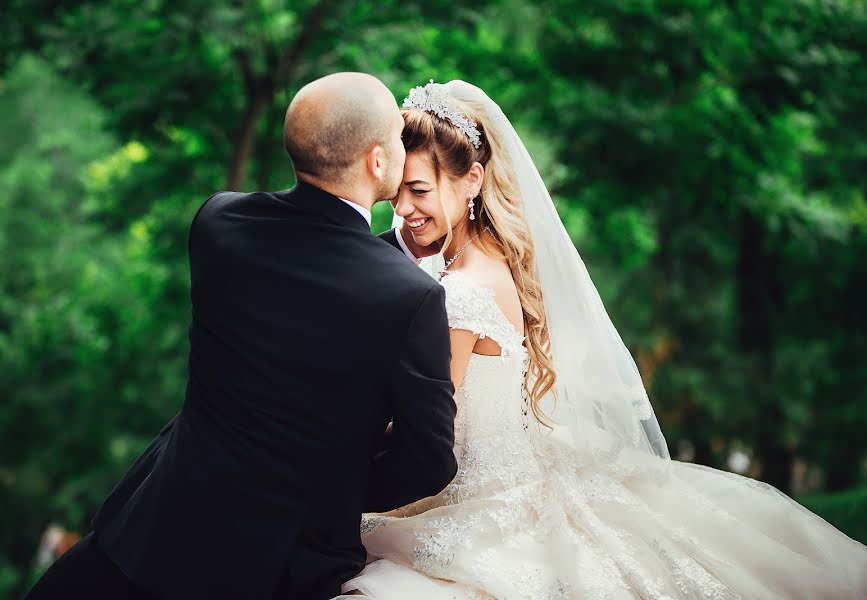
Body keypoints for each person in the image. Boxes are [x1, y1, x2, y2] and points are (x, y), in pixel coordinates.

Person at [337, 80, 867, 599]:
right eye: (398, 191)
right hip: (520, 476)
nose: (402, 209)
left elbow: (424, 430)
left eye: (419, 190)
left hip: (474, 502)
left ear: (472, 180)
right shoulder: (493, 262)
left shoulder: (459, 294)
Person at [26, 72, 458, 600]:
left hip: (156, 531)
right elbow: (430, 461)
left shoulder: (219, 225)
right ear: (375, 160)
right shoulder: (407, 296)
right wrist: (333, 491)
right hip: (276, 567)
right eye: (395, 135)